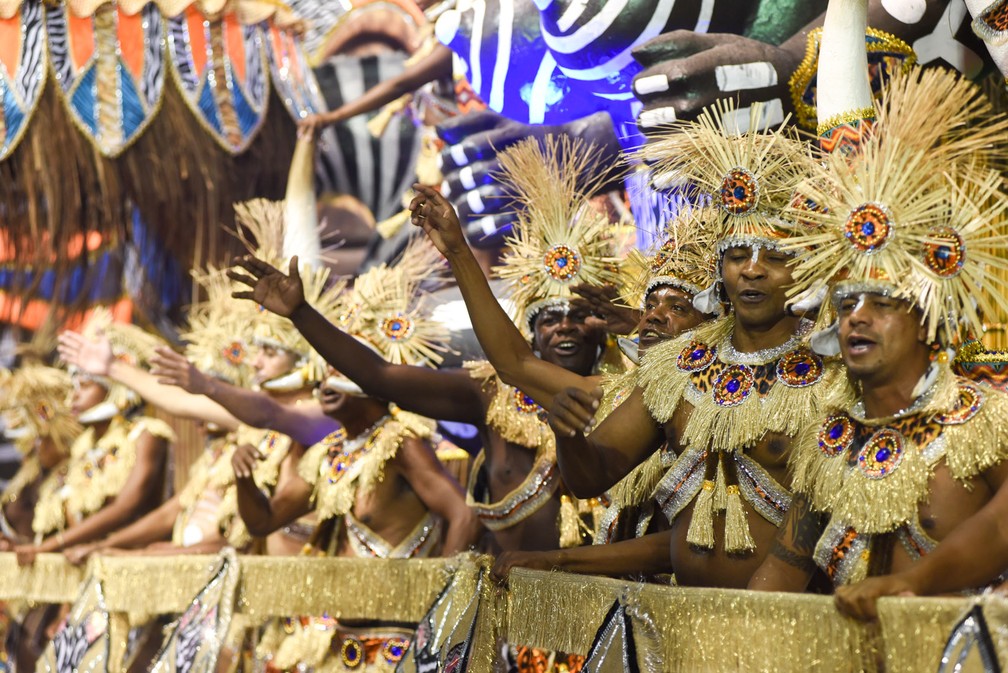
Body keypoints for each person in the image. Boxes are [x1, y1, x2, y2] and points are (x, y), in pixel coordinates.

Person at [229, 145, 629, 555]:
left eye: (579, 315)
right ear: (529, 331)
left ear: (603, 327)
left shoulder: (628, 392)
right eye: (550, 317)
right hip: (514, 600)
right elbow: (378, 376)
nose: (566, 326)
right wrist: (301, 314)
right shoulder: (491, 392)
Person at [746, 0, 1008, 607]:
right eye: (847, 303)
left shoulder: (986, 423)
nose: (857, 316)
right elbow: (781, 575)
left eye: (881, 302)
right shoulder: (831, 438)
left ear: (924, 315)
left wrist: (914, 585)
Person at [539, 100, 840, 589]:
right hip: (680, 622)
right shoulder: (677, 366)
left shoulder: (829, 371)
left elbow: (820, 516)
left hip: (786, 628)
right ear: (720, 270)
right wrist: (568, 435)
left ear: (802, 269)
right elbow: (592, 474)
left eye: (775, 257)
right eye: (737, 254)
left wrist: (756, 618)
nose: (753, 269)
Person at [409, 164, 724, 579]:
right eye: (649, 308)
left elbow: (684, 543)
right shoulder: (626, 394)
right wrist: (458, 253)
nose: (652, 318)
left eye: (678, 308)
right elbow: (514, 363)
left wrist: (559, 562)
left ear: (717, 323)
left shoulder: (730, 402)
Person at [13, 309, 174, 566]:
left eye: (86, 386)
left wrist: (49, 547)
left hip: (125, 568)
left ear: (115, 388)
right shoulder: (84, 445)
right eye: (74, 387)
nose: (73, 397)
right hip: (82, 565)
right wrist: (26, 544)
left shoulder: (147, 434)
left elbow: (126, 507)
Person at [0, 365, 79, 549]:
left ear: (64, 439)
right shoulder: (29, 475)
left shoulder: (76, 476)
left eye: (43, 438)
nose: (36, 446)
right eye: (34, 438)